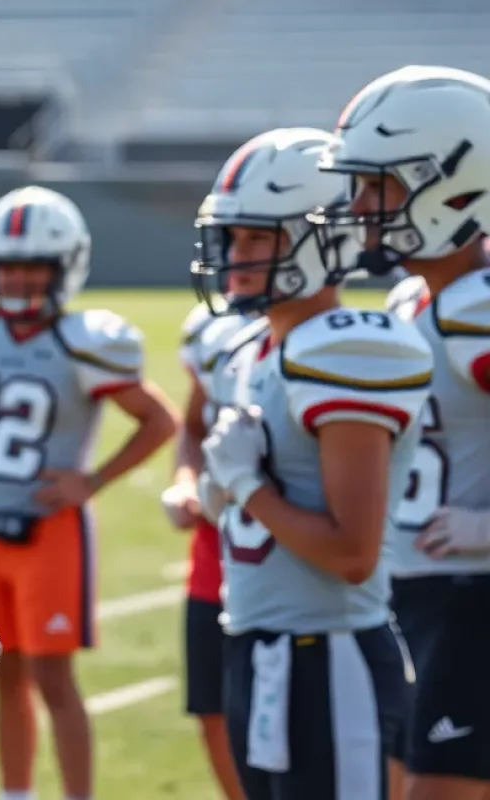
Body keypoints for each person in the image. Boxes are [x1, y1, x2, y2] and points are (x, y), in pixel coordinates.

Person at [193, 126, 433, 800]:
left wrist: (242, 485)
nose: (235, 256)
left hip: (329, 654)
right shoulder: (252, 351)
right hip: (254, 641)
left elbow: (352, 553)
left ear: (325, 238)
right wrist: (218, 492)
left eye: (258, 238)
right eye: (233, 238)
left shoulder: (345, 350)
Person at [0, 185, 180, 800]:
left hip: (49, 531)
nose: (15, 281)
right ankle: (16, 793)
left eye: (31, 268)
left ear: (66, 268)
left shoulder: (85, 341)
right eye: (5, 267)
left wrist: (90, 480)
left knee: (53, 677)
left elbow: (159, 420)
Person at [312, 65, 490, 800]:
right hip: (413, 590)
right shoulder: (417, 294)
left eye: (378, 186)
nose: (358, 207)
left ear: (452, 183)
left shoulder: (474, 307)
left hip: (469, 598)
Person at [162, 299, 248, 800]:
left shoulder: (326, 340)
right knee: (213, 709)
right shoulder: (213, 329)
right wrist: (186, 481)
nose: (237, 256)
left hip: (298, 563)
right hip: (213, 561)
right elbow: (193, 425)